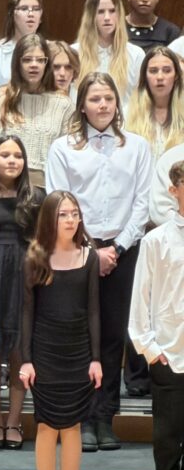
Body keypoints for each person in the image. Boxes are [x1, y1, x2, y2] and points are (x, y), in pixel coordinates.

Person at [46, 72, 152, 449]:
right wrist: (91, 249)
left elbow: (143, 204)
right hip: (76, 249)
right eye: (95, 99)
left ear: (117, 103)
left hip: (124, 251)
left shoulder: (137, 146)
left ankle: (105, 418)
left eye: (108, 98)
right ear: (82, 105)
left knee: (111, 336)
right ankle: (81, 419)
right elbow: (59, 201)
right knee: (78, 334)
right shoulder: (64, 148)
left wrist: (117, 249)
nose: (102, 105)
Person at [20, 191, 101, 470]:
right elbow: (26, 312)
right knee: (45, 425)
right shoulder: (35, 256)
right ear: (51, 219)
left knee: (72, 427)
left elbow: (94, 311)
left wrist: (95, 358)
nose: (71, 220)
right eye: (64, 214)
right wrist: (26, 360)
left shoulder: (89, 256)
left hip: (77, 351)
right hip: (45, 350)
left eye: (75, 214)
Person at [0, 136, 44, 450]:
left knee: (19, 349)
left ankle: (15, 421)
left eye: (18, 155)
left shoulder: (36, 198)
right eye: (4, 154)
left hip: (23, 276)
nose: (12, 160)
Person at [129, 160, 184, 470]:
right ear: (174, 190)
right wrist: (150, 349)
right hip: (170, 351)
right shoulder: (157, 240)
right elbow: (141, 300)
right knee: (167, 436)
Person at [0, 34, 72, 185]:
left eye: (40, 60)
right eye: (27, 59)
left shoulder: (63, 105)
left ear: (46, 64)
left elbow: (66, 160)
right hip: (2, 190)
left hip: (46, 190)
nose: (34, 65)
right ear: (17, 63)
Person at [71, 0, 145, 104]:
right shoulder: (74, 53)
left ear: (119, 14)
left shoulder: (136, 54)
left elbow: (139, 101)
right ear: (91, 16)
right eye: (100, 12)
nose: (107, 18)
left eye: (112, 11)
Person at [0, 0, 44, 100]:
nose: (31, 14)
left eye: (36, 9)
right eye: (24, 9)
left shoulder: (52, 50)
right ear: (12, 14)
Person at [125, 46, 184, 160]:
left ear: (176, 75)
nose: (160, 77)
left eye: (167, 71)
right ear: (144, 76)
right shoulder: (126, 113)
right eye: (153, 71)